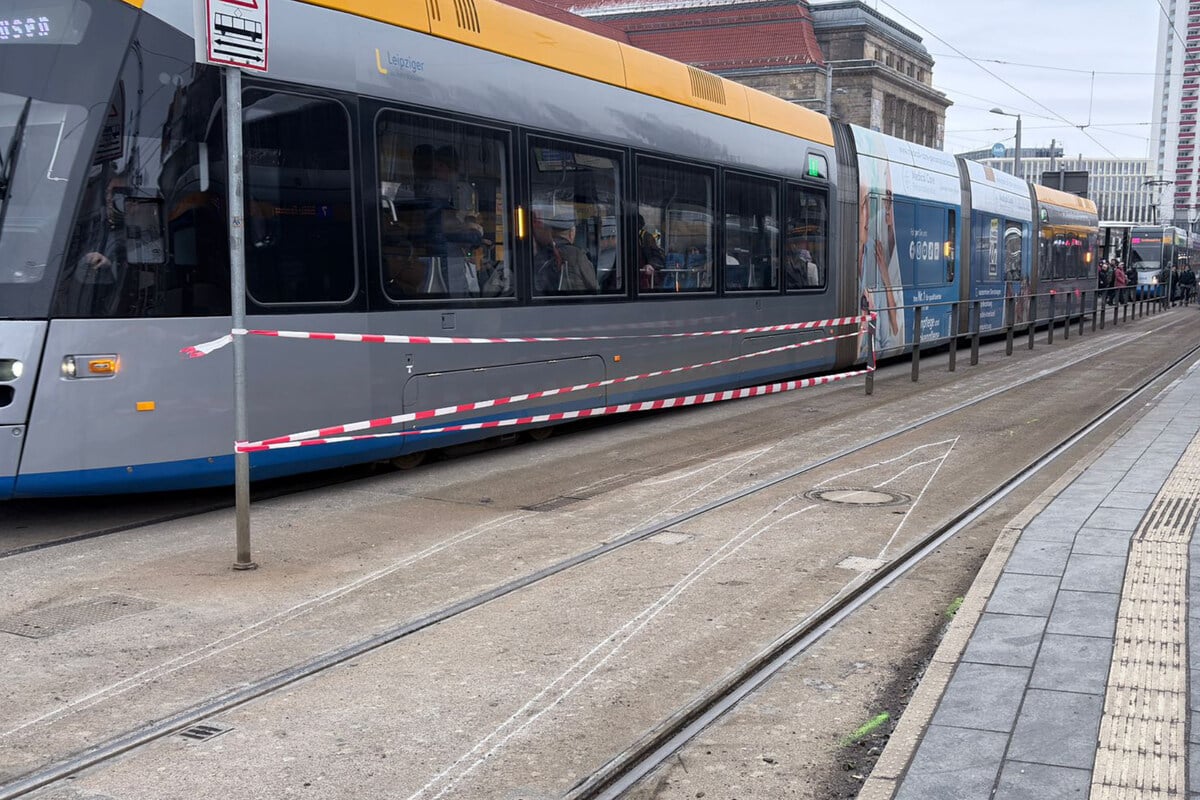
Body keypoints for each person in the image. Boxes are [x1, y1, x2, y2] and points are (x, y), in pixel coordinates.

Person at [532, 212, 599, 294]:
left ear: (552, 233)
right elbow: (594, 286)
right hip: (575, 302)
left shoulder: (541, 255)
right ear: (571, 233)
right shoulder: (577, 254)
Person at [637, 214, 665, 290]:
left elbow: (657, 256)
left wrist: (651, 265)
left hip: (645, 277)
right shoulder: (621, 236)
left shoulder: (646, 237)